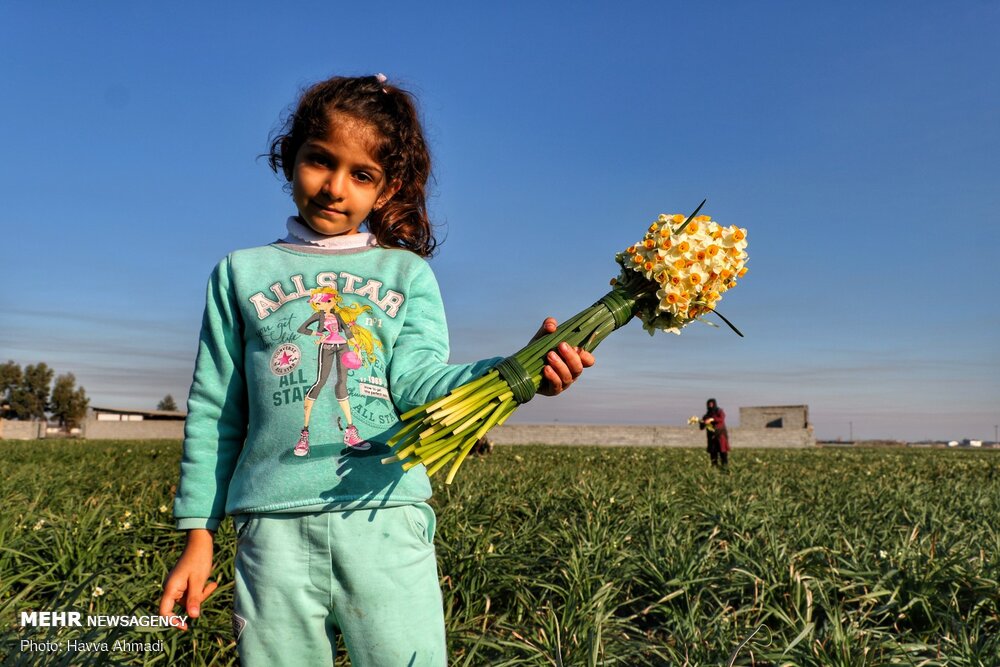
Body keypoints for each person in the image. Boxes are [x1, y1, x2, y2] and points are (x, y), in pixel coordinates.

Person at [157, 74, 594, 667]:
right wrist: (198, 536)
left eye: (362, 175)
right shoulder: (239, 273)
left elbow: (419, 383)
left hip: (383, 515)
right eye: (319, 161)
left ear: (386, 189)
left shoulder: (406, 274)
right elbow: (215, 410)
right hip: (271, 528)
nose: (335, 187)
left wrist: (514, 374)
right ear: (290, 158)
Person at [700, 398, 729, 467]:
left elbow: (721, 419)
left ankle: (725, 467)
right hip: (711, 436)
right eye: (709, 404)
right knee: (713, 453)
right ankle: (714, 467)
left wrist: (712, 419)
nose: (710, 405)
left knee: (723, 452)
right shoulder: (706, 415)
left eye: (711, 404)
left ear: (714, 404)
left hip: (720, 434)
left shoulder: (719, 411)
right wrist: (702, 422)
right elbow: (702, 427)